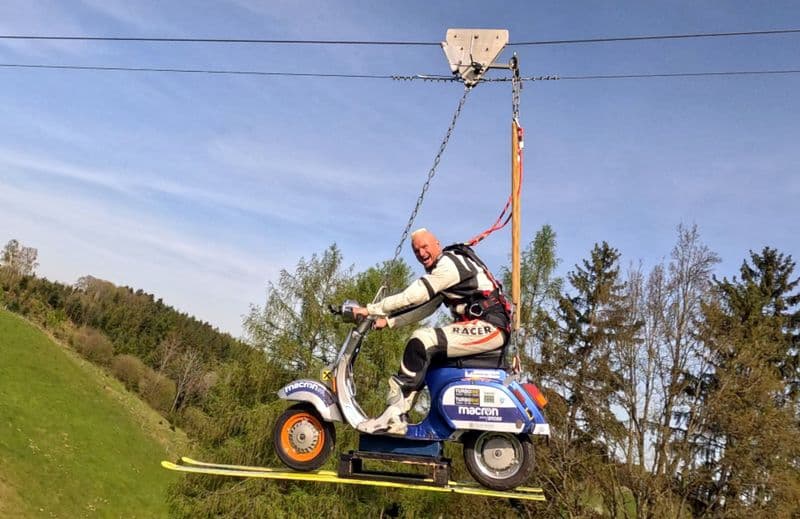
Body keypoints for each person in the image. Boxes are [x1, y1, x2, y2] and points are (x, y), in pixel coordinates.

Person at [353, 228, 511, 435]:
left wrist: (370, 309)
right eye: (416, 250)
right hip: (484, 326)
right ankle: (399, 414)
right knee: (426, 357)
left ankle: (394, 415)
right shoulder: (444, 270)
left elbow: (415, 295)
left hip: (490, 327)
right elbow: (426, 307)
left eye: (424, 247)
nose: (421, 253)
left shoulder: (449, 265)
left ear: (437, 244)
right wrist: (389, 322)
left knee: (422, 339)